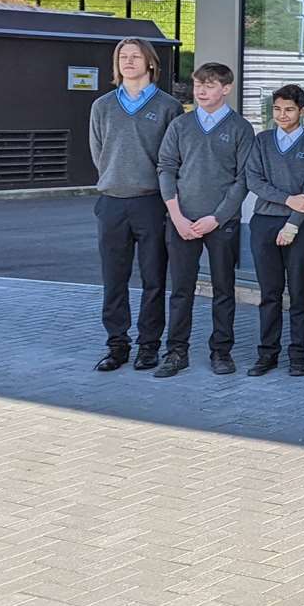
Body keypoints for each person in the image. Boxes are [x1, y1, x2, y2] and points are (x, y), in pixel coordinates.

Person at [153, 62, 255, 378]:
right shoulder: (180, 126)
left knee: (224, 290)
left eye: (209, 85)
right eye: (198, 84)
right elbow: (166, 168)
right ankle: (176, 352)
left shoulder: (240, 128)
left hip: (220, 224)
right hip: (181, 221)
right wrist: (177, 216)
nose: (200, 90)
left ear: (226, 88)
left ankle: (221, 352)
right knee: (181, 290)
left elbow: (243, 179)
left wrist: (218, 217)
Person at [89, 37, 183, 372]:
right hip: (112, 202)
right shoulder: (102, 106)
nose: (128, 62)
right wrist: (117, 178)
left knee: (153, 279)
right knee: (114, 279)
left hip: (151, 203)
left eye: (135, 56)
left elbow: (172, 159)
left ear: (150, 63)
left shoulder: (169, 107)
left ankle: (148, 346)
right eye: (122, 57)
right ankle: (117, 345)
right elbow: (99, 153)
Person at [242, 84, 304, 377]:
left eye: (289, 109)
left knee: (299, 292)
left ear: (302, 111)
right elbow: (254, 180)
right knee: (270, 292)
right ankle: (267, 354)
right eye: (277, 109)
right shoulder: (262, 141)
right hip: (264, 222)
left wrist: (292, 223)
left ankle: (298, 355)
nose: (282, 115)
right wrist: (287, 199)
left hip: (300, 227)